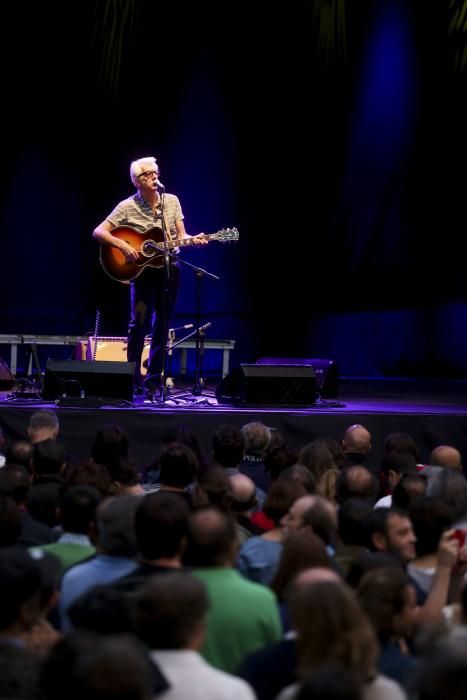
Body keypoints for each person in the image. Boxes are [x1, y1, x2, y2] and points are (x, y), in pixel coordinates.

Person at [93, 156, 207, 396]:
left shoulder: (171, 201)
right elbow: (99, 232)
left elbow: (181, 235)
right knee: (139, 324)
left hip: (169, 269)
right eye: (147, 174)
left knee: (162, 326)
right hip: (143, 274)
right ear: (137, 181)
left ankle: (154, 380)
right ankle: (131, 378)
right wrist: (122, 246)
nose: (154, 176)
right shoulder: (127, 206)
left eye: (155, 172)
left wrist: (194, 241)